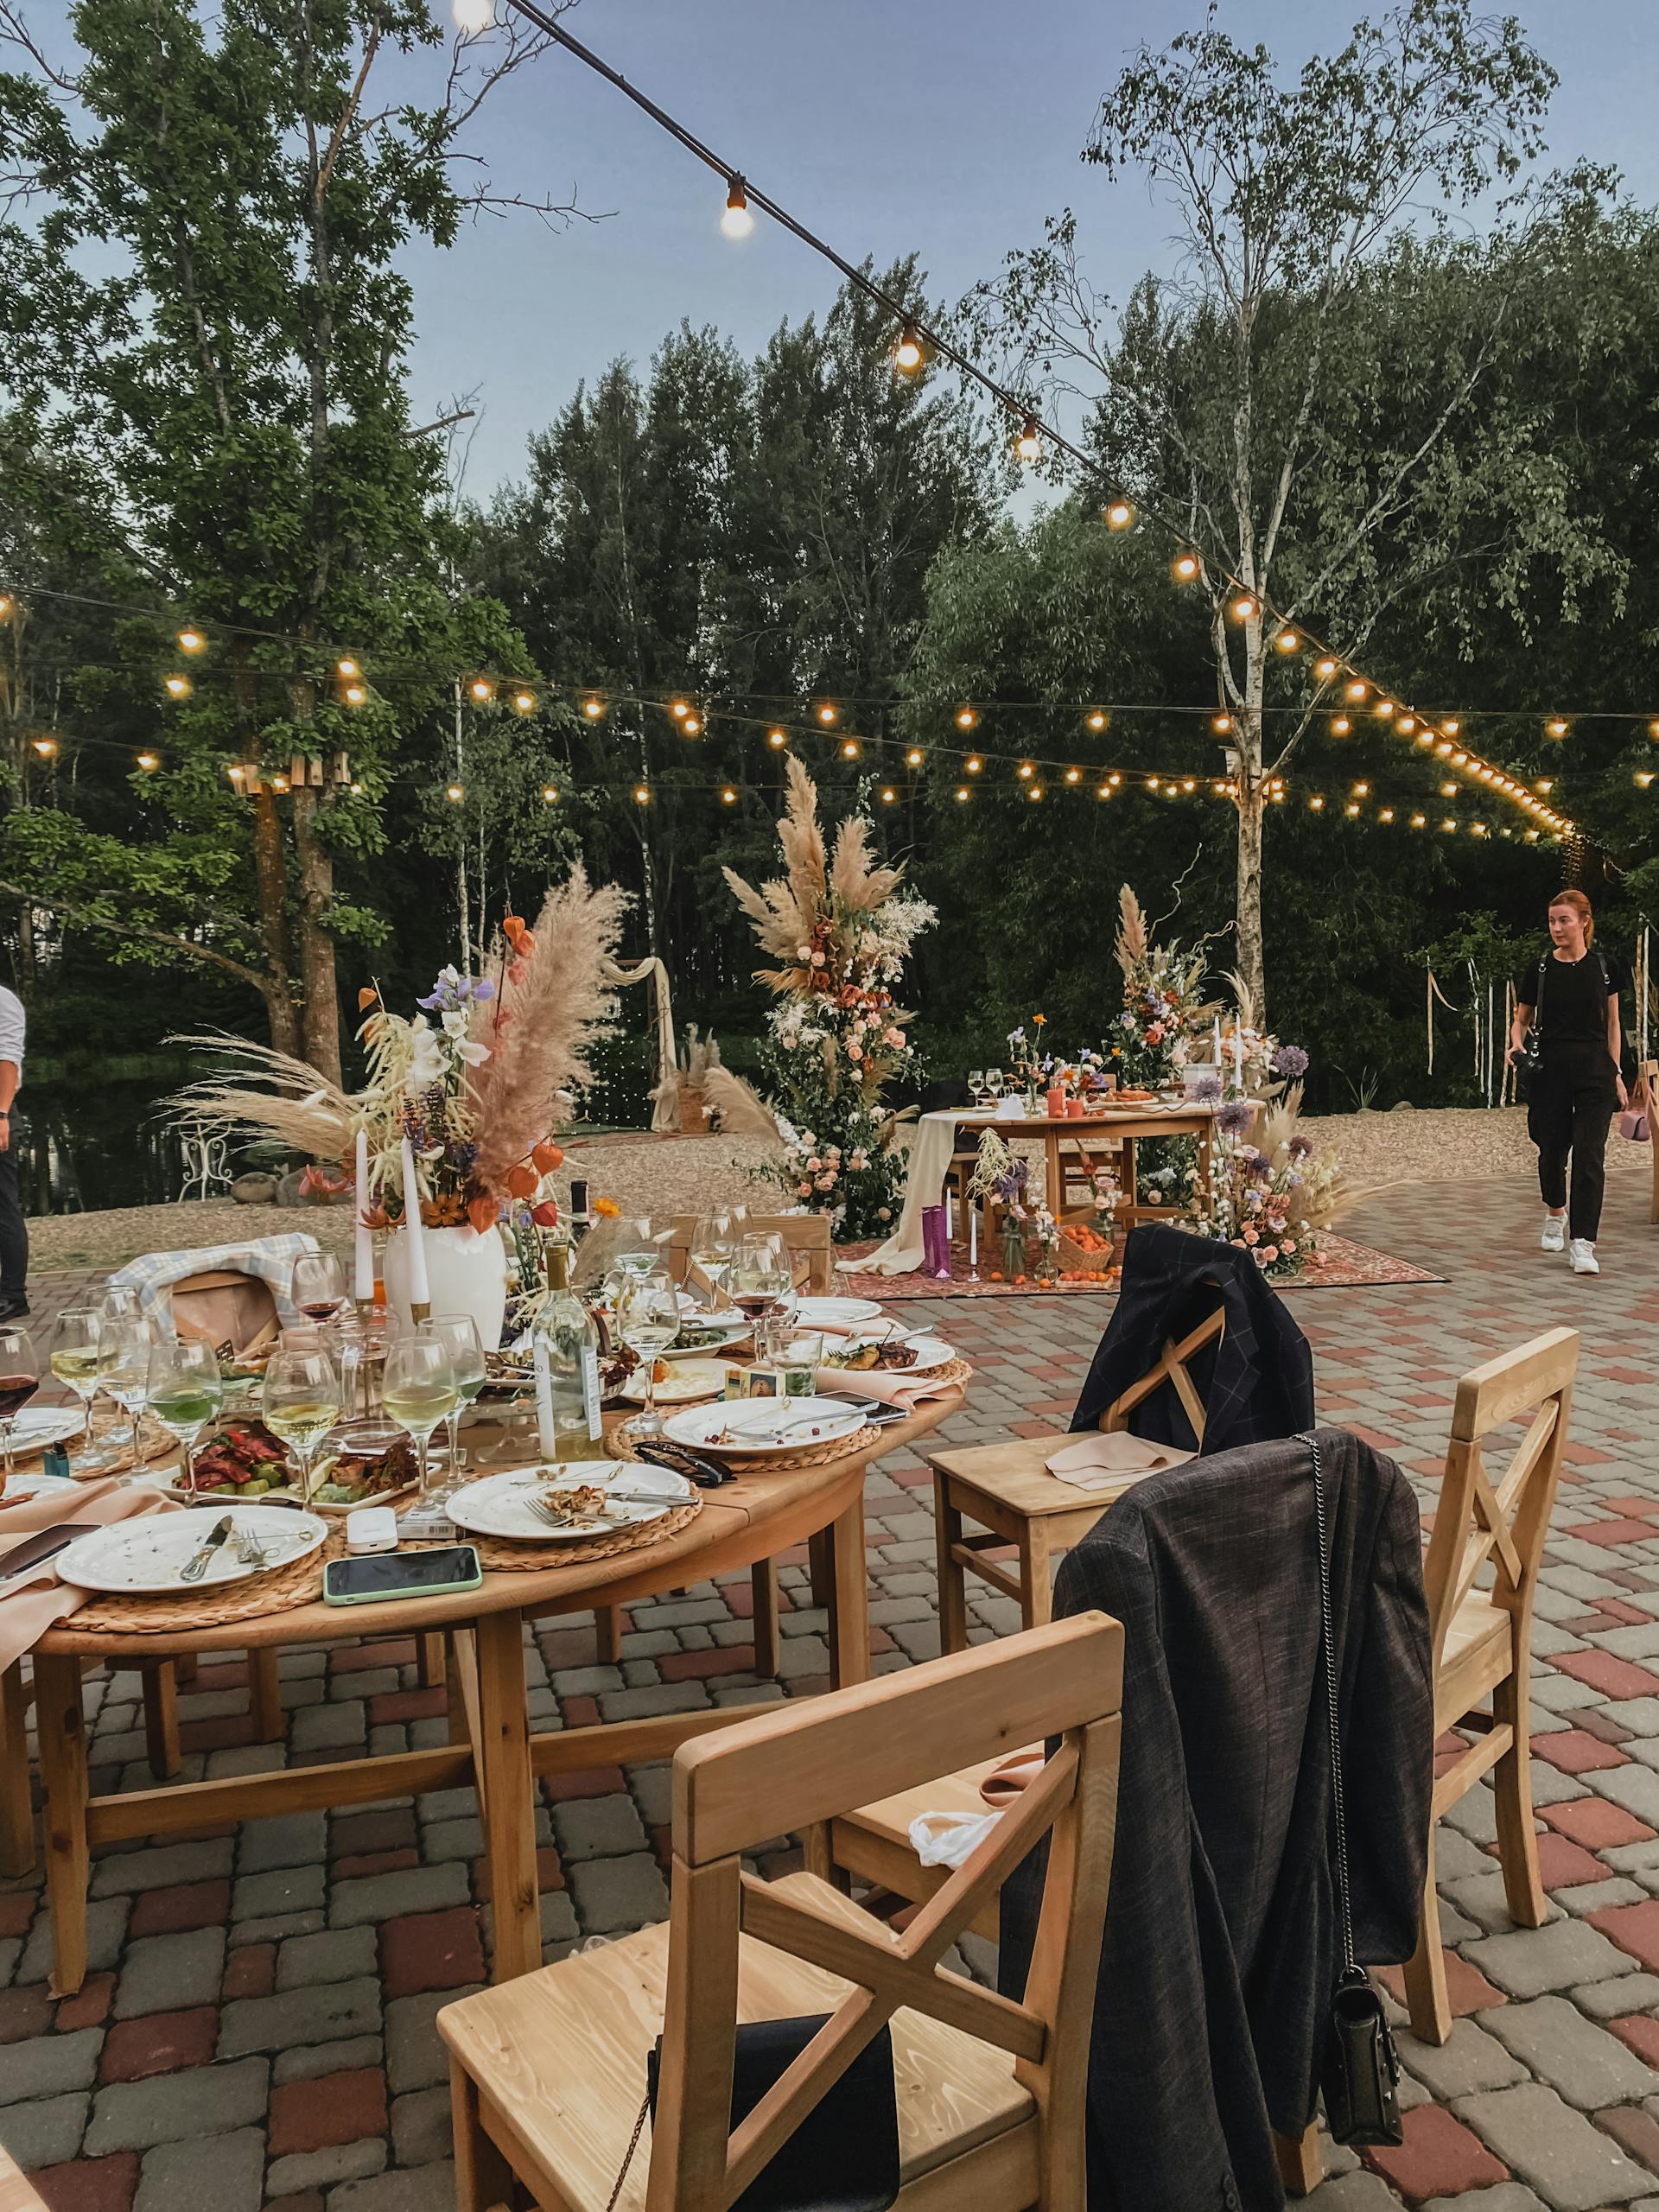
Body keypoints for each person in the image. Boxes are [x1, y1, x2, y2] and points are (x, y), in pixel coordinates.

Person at [1509, 889, 1627, 1277]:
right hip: (1551, 1070)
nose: (1557, 928)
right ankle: (1555, 1211)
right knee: (1552, 1149)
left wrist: (1617, 1074)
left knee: (1590, 1155)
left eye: (1564, 920)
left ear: (1583, 921)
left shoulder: (1604, 967)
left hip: (1595, 1069)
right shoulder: (1540, 968)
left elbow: (1613, 1023)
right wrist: (1515, 1046)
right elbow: (1521, 1018)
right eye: (1552, 921)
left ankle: (1584, 1242)